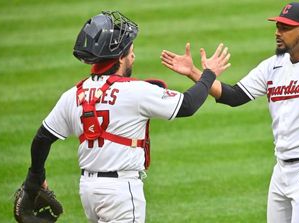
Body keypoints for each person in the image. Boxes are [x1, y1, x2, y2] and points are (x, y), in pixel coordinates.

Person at [161, 2, 299, 222]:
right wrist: (194, 72)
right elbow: (234, 96)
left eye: (285, 28)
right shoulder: (273, 65)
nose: (278, 32)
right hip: (281, 170)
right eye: (278, 26)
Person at [18, 10, 230, 223]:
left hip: (88, 191)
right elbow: (189, 105)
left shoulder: (73, 95)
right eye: (130, 51)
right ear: (119, 57)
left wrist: (36, 177)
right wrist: (208, 74)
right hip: (120, 193)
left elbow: (42, 139)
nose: (133, 56)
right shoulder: (136, 91)